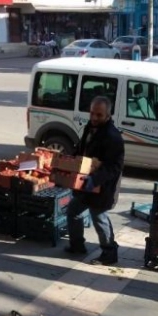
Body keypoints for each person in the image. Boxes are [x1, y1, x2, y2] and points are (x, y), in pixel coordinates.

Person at [65, 96, 125, 266]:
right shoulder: (89, 128)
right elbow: (81, 149)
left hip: (103, 186)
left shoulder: (113, 137)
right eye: (92, 113)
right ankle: (77, 245)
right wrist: (70, 161)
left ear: (108, 115)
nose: (94, 117)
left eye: (98, 115)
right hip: (85, 183)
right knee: (73, 210)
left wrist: (95, 180)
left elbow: (115, 167)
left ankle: (109, 252)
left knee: (99, 217)